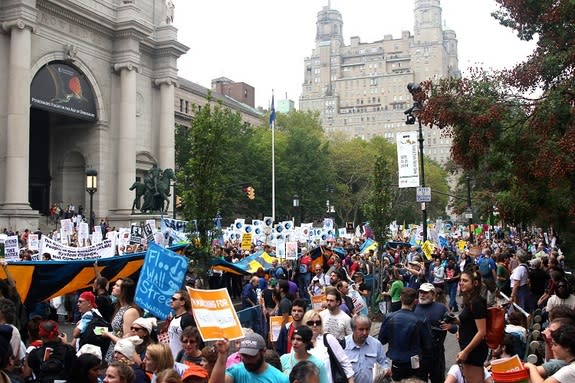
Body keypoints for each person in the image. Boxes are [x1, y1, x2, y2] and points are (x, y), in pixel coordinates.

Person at [378, 288, 430, 382]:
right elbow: (427, 345)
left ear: (401, 298)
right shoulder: (421, 320)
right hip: (415, 362)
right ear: (415, 301)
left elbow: (381, 340)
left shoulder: (389, 317)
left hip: (397, 361)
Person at [414, 283, 458, 383]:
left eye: (425, 292)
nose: (422, 295)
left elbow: (454, 328)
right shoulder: (414, 307)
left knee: (438, 379)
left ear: (433, 294)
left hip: (436, 354)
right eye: (420, 292)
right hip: (419, 353)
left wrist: (449, 326)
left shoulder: (441, 308)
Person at [210, 333, 288, 383]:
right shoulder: (236, 371)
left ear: (263, 351)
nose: (247, 360)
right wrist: (222, 355)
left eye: (251, 356)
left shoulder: (280, 379)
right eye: (244, 355)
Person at [302, 310, 355, 383]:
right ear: (305, 324)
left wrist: (351, 381)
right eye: (311, 323)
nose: (314, 325)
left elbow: (344, 362)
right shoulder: (300, 342)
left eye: (318, 323)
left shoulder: (328, 339)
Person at [456, 269, 488, 383]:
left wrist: (466, 351)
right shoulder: (470, 300)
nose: (461, 283)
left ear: (475, 283)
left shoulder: (476, 302)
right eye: (460, 280)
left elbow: (481, 331)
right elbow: (468, 322)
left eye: (465, 281)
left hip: (474, 351)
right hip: (469, 347)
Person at [103, 278, 141, 362]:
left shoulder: (130, 311)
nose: (113, 287)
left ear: (124, 291)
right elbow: (119, 333)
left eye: (117, 285)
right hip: (116, 353)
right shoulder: (120, 307)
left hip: (123, 357)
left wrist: (108, 335)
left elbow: (127, 341)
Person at [344, 316, 388, 383]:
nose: (365, 333)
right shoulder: (343, 345)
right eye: (361, 329)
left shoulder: (376, 344)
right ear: (353, 329)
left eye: (367, 329)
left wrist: (386, 370)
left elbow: (383, 363)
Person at [167, 290, 196, 360]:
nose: (171, 301)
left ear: (182, 302)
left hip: (183, 361)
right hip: (173, 361)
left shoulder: (187, 319)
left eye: (174, 299)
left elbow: (194, 340)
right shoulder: (173, 318)